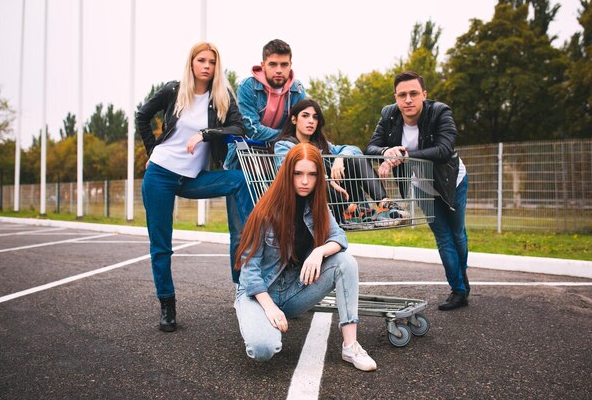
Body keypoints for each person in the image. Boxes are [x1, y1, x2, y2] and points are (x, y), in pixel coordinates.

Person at [136, 42, 253, 332]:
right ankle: (167, 304)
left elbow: (240, 129)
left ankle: (251, 248)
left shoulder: (222, 96)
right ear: (191, 63)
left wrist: (206, 133)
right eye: (201, 60)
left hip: (191, 179)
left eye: (212, 62)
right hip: (161, 174)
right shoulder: (173, 90)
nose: (207, 66)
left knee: (240, 181)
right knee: (161, 246)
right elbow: (142, 115)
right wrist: (152, 151)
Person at [233, 143, 377, 371]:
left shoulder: (317, 205)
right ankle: (251, 317)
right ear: (287, 173)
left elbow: (340, 238)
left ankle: (351, 346)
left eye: (311, 175)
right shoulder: (266, 210)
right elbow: (249, 270)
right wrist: (269, 308)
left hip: (294, 290)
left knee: (345, 262)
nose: (304, 181)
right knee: (263, 349)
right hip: (258, 294)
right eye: (298, 174)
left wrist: (319, 252)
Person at [366, 71, 470, 311]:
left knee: (458, 236)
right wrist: (385, 153)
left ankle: (462, 281)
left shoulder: (440, 112)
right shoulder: (389, 115)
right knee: (443, 239)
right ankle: (458, 291)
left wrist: (403, 155)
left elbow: (444, 149)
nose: (408, 100)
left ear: (424, 95)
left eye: (413, 93)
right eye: (402, 95)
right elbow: (371, 146)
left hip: (451, 181)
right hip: (422, 186)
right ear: (396, 97)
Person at [274, 99, 407, 227]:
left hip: (335, 195)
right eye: (305, 116)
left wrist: (340, 158)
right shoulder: (284, 145)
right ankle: (350, 210)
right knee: (316, 178)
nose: (311, 121)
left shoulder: (322, 145)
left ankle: (385, 205)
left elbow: (355, 150)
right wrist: (327, 179)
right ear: (294, 119)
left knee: (356, 159)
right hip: (307, 197)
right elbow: (288, 172)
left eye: (315, 117)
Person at [224, 39, 306, 170]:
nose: (279, 70)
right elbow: (252, 130)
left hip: (280, 155)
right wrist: (289, 137)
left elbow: (304, 126)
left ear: (290, 65)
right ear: (263, 66)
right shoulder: (248, 87)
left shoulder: (298, 90)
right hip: (246, 157)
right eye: (273, 64)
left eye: (284, 64)